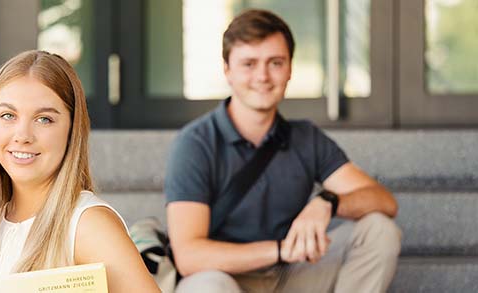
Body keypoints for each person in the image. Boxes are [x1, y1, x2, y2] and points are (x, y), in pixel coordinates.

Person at [165, 9, 401, 293]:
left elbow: (385, 202)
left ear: (290, 68)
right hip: (223, 278)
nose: (263, 76)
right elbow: (189, 256)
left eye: (275, 63)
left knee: (379, 230)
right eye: (249, 64)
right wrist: (279, 250)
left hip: (293, 277)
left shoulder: (306, 138)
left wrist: (327, 202)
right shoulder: (196, 143)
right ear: (227, 70)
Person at [0, 50, 160, 293]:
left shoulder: (88, 225)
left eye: (44, 119)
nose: (23, 136)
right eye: (8, 115)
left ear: (72, 130)